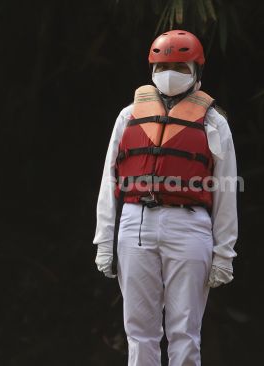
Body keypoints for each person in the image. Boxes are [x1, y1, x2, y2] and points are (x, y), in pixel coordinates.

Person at [93, 30, 238, 365]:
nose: (170, 72)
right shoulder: (129, 115)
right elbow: (109, 180)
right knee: (139, 331)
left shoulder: (214, 121)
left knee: (185, 332)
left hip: (189, 226)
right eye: (163, 65)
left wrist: (224, 252)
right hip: (134, 223)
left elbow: (226, 189)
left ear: (197, 69)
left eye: (180, 65)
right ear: (151, 68)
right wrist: (104, 239)